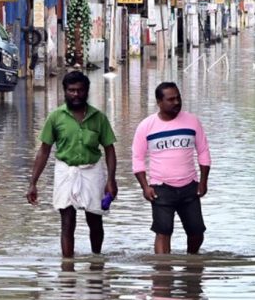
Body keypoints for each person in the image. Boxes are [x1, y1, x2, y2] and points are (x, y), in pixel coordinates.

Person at [27, 70, 117, 258]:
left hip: (92, 171)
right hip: (65, 171)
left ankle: (96, 260)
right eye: (71, 90)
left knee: (95, 220)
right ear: (65, 92)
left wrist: (111, 180)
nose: (76, 94)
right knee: (67, 221)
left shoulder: (98, 118)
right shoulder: (56, 117)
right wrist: (33, 183)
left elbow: (109, 149)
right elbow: (44, 150)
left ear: (87, 91)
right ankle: (67, 267)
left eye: (80, 90)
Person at [132, 82, 211, 255]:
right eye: (171, 99)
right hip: (160, 188)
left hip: (189, 186)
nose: (176, 102)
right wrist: (145, 187)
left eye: (178, 98)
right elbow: (137, 158)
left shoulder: (192, 121)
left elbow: (203, 151)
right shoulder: (146, 126)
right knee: (163, 232)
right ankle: (162, 274)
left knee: (197, 232)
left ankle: (192, 262)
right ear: (159, 102)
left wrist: (203, 182)